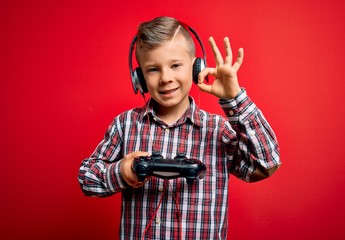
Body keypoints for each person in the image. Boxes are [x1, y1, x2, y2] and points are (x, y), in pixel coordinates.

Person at [78, 16, 281, 240]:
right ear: (140, 78)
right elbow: (87, 179)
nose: (166, 78)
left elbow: (265, 164)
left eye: (175, 65)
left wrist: (234, 98)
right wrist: (122, 172)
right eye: (153, 69)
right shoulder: (125, 125)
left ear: (196, 68)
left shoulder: (217, 130)